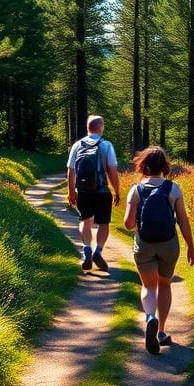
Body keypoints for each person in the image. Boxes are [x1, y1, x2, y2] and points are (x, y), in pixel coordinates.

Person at [124, 146, 194, 355]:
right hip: (168, 244)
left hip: (144, 244)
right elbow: (183, 221)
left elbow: (128, 224)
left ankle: (150, 317)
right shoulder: (173, 189)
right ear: (164, 166)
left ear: (143, 166)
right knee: (164, 284)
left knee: (148, 286)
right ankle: (162, 331)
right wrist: (191, 246)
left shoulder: (136, 190)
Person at [66, 115, 120, 272]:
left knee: (85, 220)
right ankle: (98, 251)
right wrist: (116, 190)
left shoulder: (77, 145)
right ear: (101, 127)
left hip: (83, 191)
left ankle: (87, 249)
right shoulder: (106, 145)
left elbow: (71, 171)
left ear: (88, 127)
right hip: (102, 191)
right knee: (104, 223)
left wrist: (71, 192)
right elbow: (112, 170)